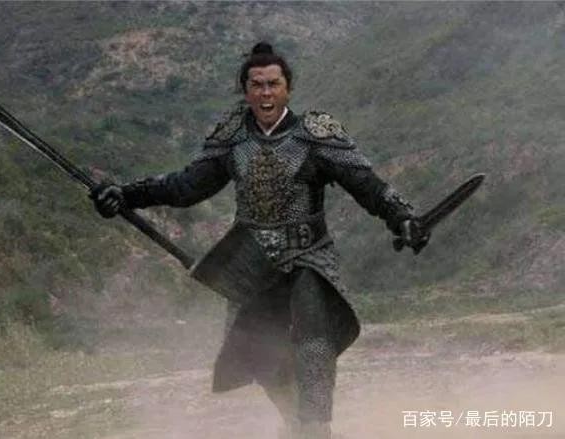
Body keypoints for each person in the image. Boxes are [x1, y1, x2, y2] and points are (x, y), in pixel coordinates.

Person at [91, 42, 429, 439]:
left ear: (288, 88)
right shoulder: (234, 139)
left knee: (313, 343)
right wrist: (127, 195)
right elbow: (186, 186)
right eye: (257, 85)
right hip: (253, 260)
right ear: (246, 90)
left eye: (273, 84)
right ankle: (295, 423)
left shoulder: (315, 136)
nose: (265, 93)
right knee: (259, 351)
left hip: (308, 255)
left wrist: (402, 217)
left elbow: (366, 184)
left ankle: (316, 429)